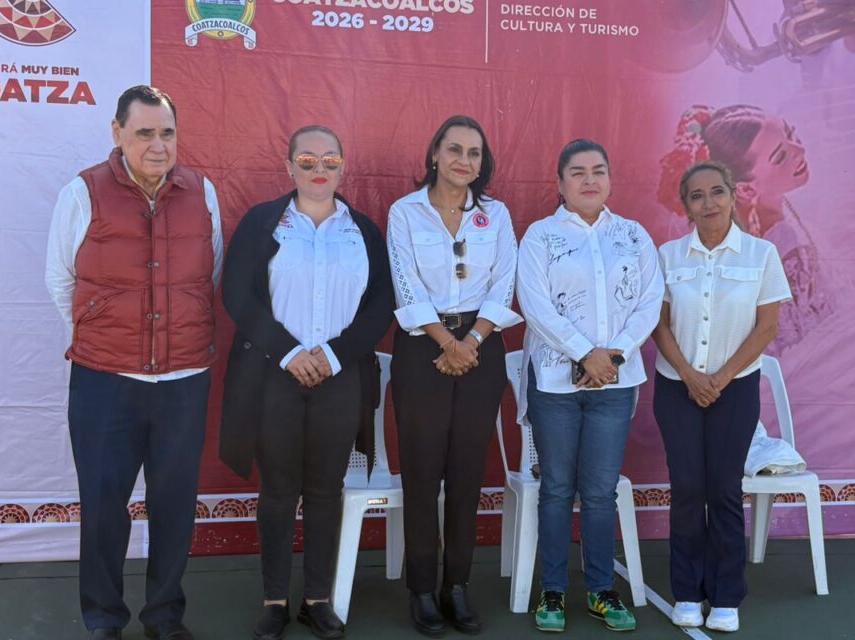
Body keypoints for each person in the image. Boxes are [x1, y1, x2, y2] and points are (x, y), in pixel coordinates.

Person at [44, 85, 222, 640]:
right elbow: (60, 281)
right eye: (144, 133)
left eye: (167, 133)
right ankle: (103, 619)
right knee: (102, 508)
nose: (158, 146)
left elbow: (207, 276)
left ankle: (165, 617)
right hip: (104, 383)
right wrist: (105, 342)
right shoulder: (83, 192)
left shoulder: (203, 191)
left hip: (183, 381)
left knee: (174, 507)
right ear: (117, 133)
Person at [218, 125, 394, 640]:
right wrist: (290, 352)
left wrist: (335, 355)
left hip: (340, 379)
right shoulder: (263, 223)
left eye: (331, 161)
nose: (320, 170)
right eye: (309, 160)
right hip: (275, 376)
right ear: (289, 166)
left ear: (344, 167)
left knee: (325, 490)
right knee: (277, 490)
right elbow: (236, 295)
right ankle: (274, 599)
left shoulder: (362, 231)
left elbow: (380, 303)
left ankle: (317, 599)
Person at [516, 139, 663, 633]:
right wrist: (584, 353)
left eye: (598, 170)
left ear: (610, 179)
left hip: (615, 384)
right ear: (559, 184)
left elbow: (649, 301)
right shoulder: (540, 236)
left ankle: (602, 590)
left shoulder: (633, 235)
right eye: (576, 172)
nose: (588, 180)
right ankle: (552, 591)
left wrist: (612, 355)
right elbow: (534, 305)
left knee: (599, 492)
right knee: (557, 489)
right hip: (556, 384)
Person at [387, 115, 522, 637]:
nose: (465, 160)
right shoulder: (405, 212)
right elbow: (405, 282)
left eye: (474, 153)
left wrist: (472, 342)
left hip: (482, 347)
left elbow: (503, 281)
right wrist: (447, 343)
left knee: (467, 474)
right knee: (422, 473)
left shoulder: (497, 214)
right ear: (435, 155)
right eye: (455, 150)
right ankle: (422, 590)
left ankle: (456, 586)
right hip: (423, 348)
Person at [651, 160, 792, 633]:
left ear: (734, 195)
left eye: (717, 192)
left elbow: (767, 326)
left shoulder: (761, 255)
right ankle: (688, 592)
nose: (708, 202)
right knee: (688, 489)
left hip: (736, 390)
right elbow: (659, 324)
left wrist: (723, 376)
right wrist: (690, 375)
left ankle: (727, 595)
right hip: (677, 388)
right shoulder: (668, 256)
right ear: (685, 205)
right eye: (696, 195)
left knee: (725, 490)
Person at [658, 104, 830, 351]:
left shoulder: (783, 213)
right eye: (780, 157)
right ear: (746, 189)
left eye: (791, 135)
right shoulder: (782, 248)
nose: (800, 149)